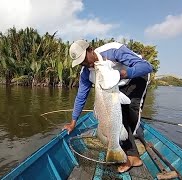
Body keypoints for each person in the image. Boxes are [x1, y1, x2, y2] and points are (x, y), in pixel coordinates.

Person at [63, 39, 153, 173]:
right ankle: (129, 152)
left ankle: (132, 156)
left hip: (136, 76)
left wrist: (123, 73)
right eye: (80, 62)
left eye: (84, 59)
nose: (85, 64)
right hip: (114, 86)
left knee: (131, 111)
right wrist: (73, 122)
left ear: (90, 49)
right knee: (119, 116)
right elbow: (81, 97)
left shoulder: (114, 50)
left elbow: (147, 66)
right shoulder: (86, 72)